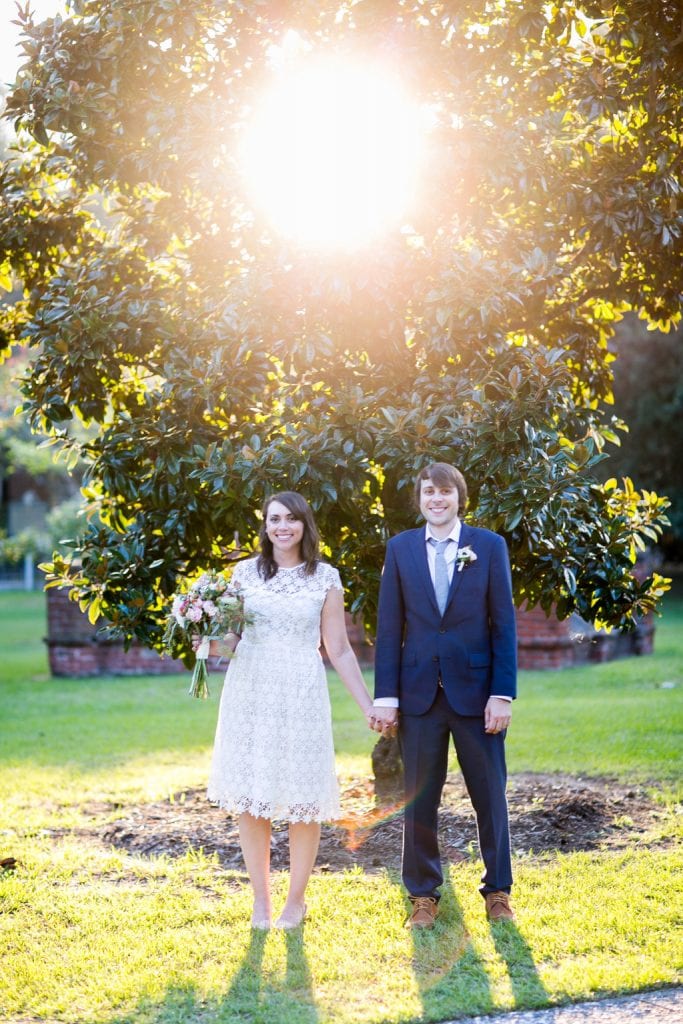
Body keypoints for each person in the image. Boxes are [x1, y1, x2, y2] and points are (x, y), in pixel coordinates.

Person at [198, 491, 375, 931]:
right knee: (252, 797)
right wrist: (199, 637)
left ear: (304, 526)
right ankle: (261, 901)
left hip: (300, 690)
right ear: (265, 525)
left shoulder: (324, 578)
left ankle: (295, 901)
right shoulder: (243, 574)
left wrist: (368, 706)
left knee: (302, 798)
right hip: (250, 689)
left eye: (292, 519)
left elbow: (338, 648)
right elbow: (230, 641)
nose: (283, 527)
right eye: (274, 519)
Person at [371, 462, 517, 927]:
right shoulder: (400, 549)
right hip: (417, 697)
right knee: (419, 799)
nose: (437, 499)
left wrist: (503, 694)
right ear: (419, 499)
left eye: (445, 492)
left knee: (490, 796)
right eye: (428, 492)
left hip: (477, 696)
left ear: (460, 497)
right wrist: (386, 697)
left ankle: (498, 891)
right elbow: (390, 626)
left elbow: (504, 625)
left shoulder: (489, 547)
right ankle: (422, 895)